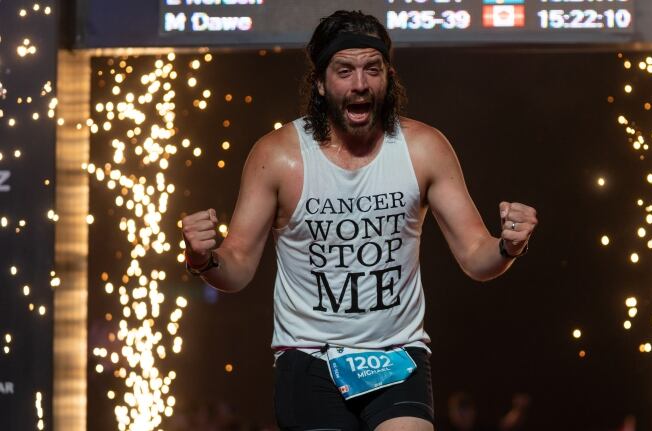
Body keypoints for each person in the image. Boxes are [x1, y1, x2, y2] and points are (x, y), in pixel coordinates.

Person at [181, 10, 537, 431]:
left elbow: (477, 257)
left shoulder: (424, 148)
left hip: (396, 354)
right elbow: (237, 267)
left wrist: (508, 245)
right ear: (319, 82)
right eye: (344, 71)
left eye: (372, 69)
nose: (360, 84)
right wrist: (204, 257)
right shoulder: (278, 156)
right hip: (309, 358)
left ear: (388, 76)